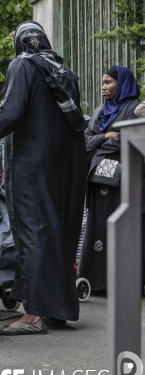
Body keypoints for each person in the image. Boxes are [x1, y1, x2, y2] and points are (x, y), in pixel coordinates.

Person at [0, 21, 88, 335]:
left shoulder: (22, 65)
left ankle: (33, 315)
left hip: (31, 164)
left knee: (33, 234)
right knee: (59, 235)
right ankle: (58, 310)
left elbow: (12, 113)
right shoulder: (64, 72)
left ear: (19, 43)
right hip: (67, 166)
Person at [80, 66, 144, 291]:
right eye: (102, 82)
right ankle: (98, 281)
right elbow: (85, 142)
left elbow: (127, 138)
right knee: (99, 224)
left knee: (123, 223)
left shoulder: (133, 108)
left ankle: (124, 282)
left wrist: (99, 143)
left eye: (108, 82)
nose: (103, 87)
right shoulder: (100, 111)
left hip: (125, 175)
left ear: (122, 83)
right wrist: (105, 136)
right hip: (99, 174)